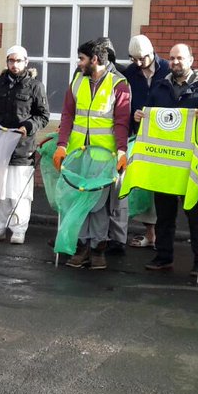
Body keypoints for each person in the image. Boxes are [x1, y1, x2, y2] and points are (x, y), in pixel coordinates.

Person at [137, 43, 198, 276]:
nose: (175, 62)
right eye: (172, 58)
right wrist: (140, 116)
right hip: (165, 161)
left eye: (180, 58)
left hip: (192, 163)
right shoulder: (160, 87)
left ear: (191, 60)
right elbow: (148, 118)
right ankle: (163, 257)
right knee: (164, 213)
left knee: (195, 215)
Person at [56, 38, 130, 269]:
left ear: (95, 60)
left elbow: (121, 122)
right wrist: (61, 145)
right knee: (79, 200)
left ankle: (98, 249)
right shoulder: (77, 81)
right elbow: (67, 115)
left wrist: (121, 151)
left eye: (82, 58)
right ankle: (81, 247)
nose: (79, 63)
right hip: (78, 153)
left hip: (103, 156)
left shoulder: (119, 84)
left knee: (98, 205)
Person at [0, 45, 49, 244]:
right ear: (7, 62)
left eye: (19, 61)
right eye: (11, 60)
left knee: (19, 192)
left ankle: (18, 229)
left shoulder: (35, 86)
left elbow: (43, 116)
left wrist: (28, 125)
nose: (14, 64)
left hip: (22, 147)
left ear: (26, 62)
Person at [121, 35, 169, 250]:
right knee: (143, 188)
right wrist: (133, 116)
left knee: (162, 189)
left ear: (152, 52)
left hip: (165, 138)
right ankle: (150, 233)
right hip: (139, 136)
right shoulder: (129, 73)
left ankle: (163, 235)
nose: (139, 63)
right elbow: (124, 104)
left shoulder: (167, 69)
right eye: (134, 59)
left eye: (142, 58)